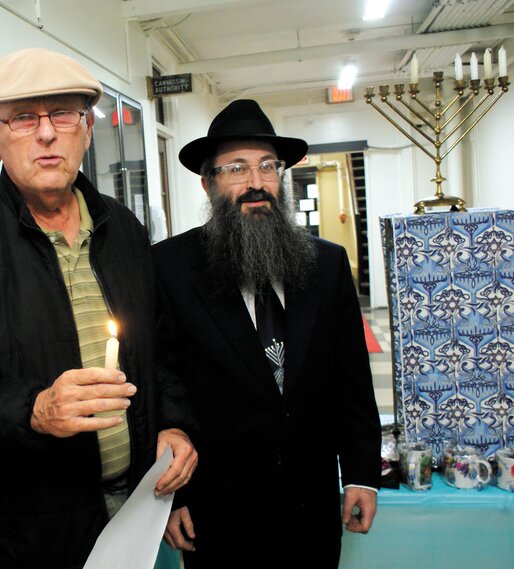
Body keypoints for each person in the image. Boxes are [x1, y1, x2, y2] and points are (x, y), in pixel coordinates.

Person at [0, 48, 197, 569]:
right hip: (22, 538)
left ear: (87, 132)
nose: (46, 134)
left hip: (138, 509)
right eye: (24, 118)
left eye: (63, 114)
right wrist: (31, 411)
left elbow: (161, 356)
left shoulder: (125, 233)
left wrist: (175, 426)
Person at [156, 99, 381, 568]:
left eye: (267, 166)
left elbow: (352, 380)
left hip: (312, 506)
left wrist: (362, 473)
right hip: (218, 512)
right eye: (236, 168)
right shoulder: (169, 269)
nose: (255, 183)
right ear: (208, 183)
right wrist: (172, 499)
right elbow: (161, 383)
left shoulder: (328, 264)